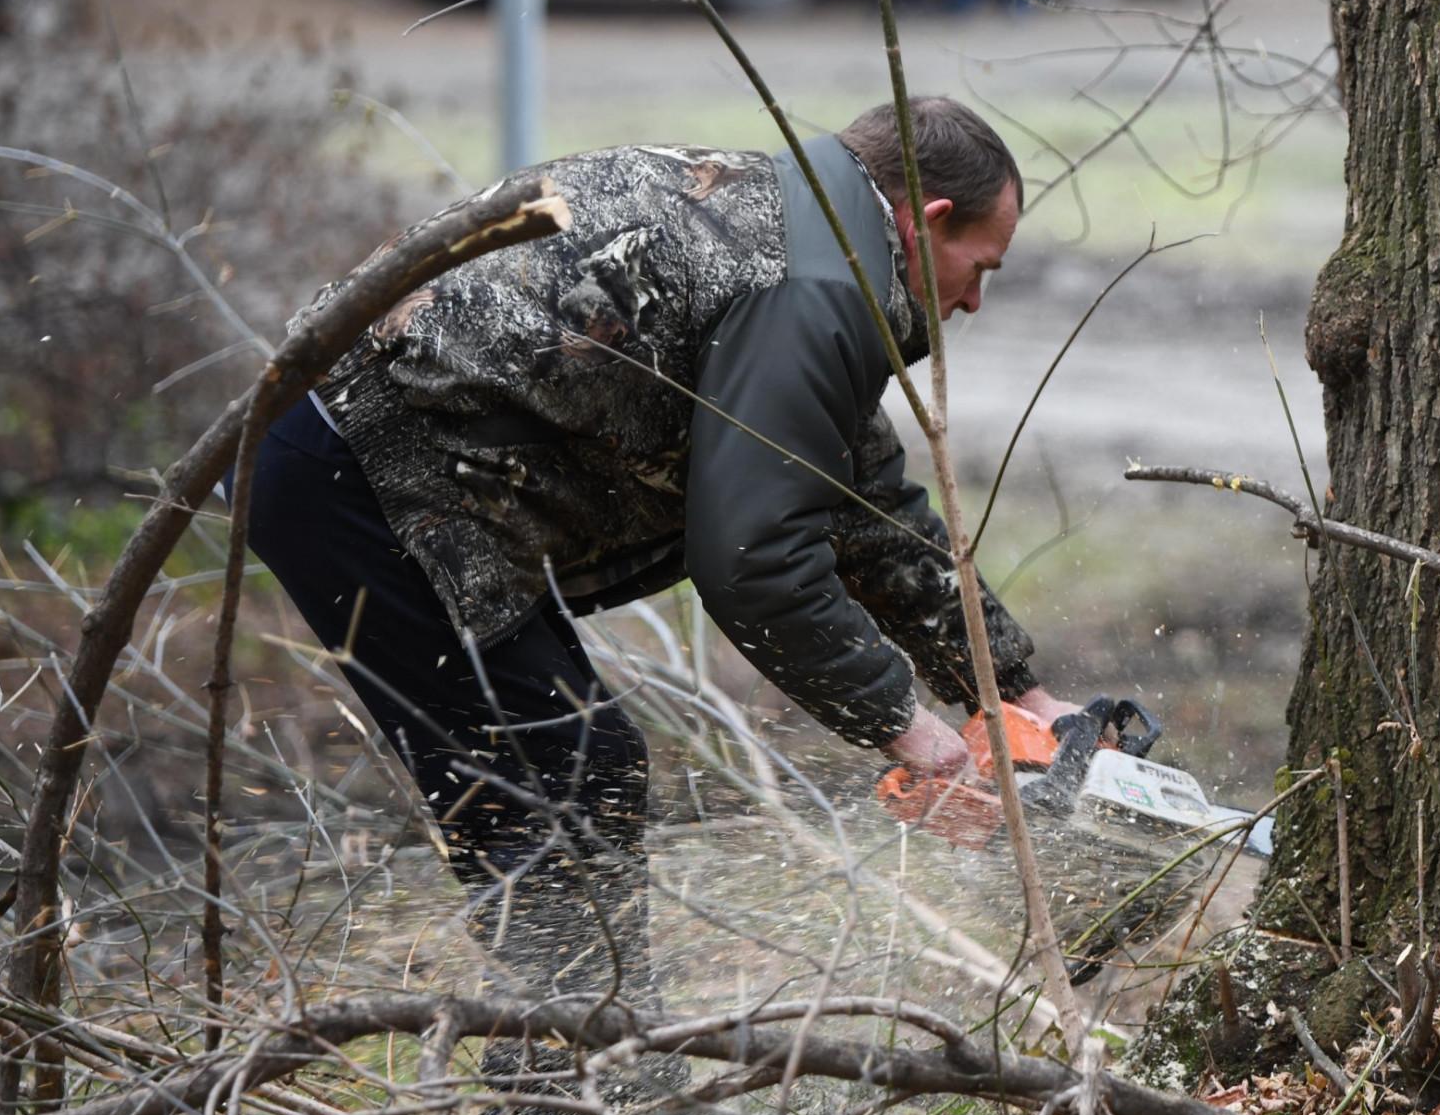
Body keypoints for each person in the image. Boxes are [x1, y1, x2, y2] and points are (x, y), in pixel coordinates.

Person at [246, 98, 1076, 1001]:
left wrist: (1013, 691)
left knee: (573, 768)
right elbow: (753, 557)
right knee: (563, 775)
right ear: (930, 221)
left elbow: (861, 502)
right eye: (977, 267)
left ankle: (580, 1074)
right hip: (364, 467)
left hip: (373, 453)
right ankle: (579, 1091)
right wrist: (913, 735)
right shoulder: (815, 288)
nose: (974, 300)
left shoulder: (803, 237)